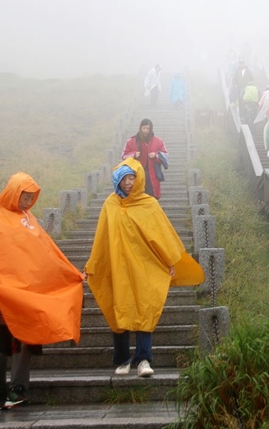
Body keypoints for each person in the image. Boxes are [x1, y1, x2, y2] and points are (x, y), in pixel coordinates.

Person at [0, 172, 84, 409]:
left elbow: (47, 252)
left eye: (31, 197)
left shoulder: (28, 219)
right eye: (24, 196)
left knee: (24, 337)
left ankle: (19, 390)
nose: (28, 202)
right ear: (12, 193)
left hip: (24, 290)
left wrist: (71, 274)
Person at [85, 158, 204, 377]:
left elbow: (161, 235)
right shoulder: (110, 204)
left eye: (132, 178)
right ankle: (122, 360)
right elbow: (101, 237)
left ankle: (143, 359)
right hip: (118, 266)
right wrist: (93, 264)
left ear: (139, 178)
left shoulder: (149, 204)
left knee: (144, 308)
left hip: (145, 266)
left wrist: (169, 261)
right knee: (119, 308)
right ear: (117, 181)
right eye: (123, 179)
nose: (128, 183)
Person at [121, 118, 168, 199]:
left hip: (152, 175)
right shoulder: (131, 141)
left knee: (151, 198)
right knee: (138, 198)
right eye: (144, 128)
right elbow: (123, 156)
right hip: (136, 174)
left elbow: (165, 155)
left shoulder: (158, 141)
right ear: (140, 128)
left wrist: (156, 155)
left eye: (148, 129)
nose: (145, 130)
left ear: (150, 129)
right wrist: (134, 154)